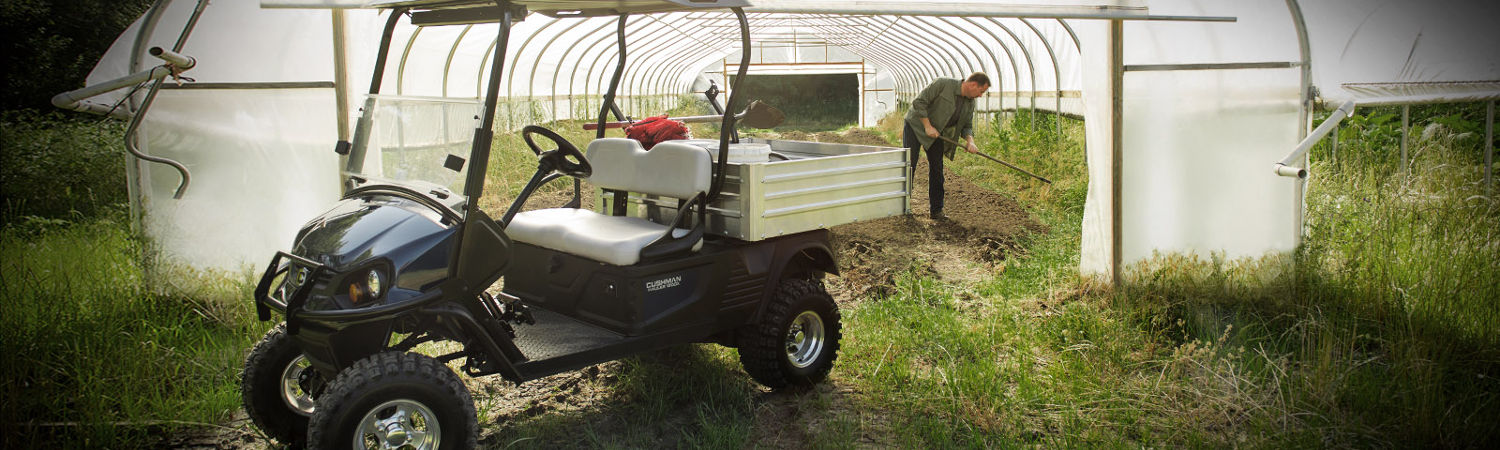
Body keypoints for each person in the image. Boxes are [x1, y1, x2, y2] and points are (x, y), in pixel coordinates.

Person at [904, 72, 989, 220]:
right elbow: (919, 102)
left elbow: (967, 125)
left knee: (937, 168)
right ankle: (904, 206)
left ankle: (936, 210)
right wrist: (927, 126)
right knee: (910, 164)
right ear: (973, 85)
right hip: (916, 126)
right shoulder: (943, 84)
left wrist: (970, 141)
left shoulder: (970, 102)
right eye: (981, 91)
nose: (981, 96)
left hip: (937, 132)